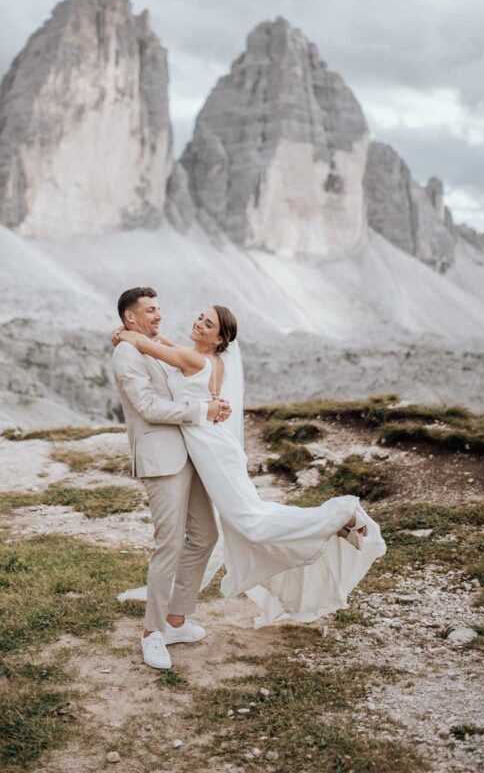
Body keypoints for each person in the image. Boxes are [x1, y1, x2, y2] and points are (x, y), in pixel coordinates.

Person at [114, 302, 387, 636]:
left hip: (212, 451)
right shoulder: (202, 357)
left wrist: (125, 333)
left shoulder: (195, 359)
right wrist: (141, 335)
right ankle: (335, 526)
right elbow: (169, 347)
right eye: (201, 317)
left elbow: (146, 345)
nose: (200, 324)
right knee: (243, 522)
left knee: (251, 522)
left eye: (209, 325)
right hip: (212, 447)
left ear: (219, 340)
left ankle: (340, 515)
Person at [111, 287, 232, 670]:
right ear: (130, 317)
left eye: (159, 308)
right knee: (168, 544)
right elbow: (146, 406)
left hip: (192, 453)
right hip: (161, 458)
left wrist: (211, 406)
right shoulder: (126, 352)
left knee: (206, 535)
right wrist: (202, 410)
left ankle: (176, 620)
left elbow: (183, 365)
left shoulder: (148, 343)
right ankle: (151, 634)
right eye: (150, 310)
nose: (158, 315)